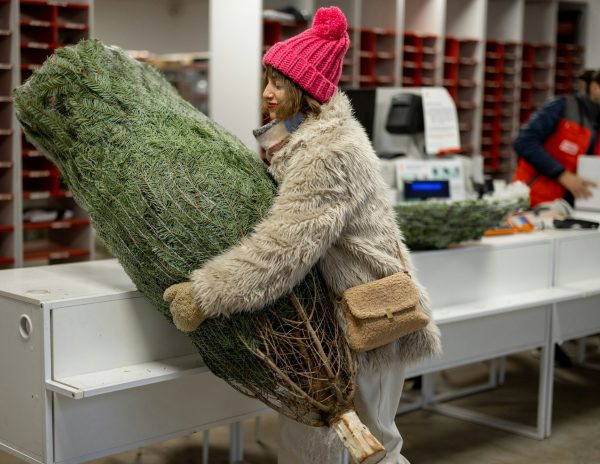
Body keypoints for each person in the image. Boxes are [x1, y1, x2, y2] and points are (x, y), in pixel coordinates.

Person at [163, 7, 441, 463]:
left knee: (365, 450)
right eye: (266, 80)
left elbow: (285, 249)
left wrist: (206, 293)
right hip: (340, 321)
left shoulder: (327, 153)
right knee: (326, 446)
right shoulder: (297, 141)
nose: (267, 94)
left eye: (278, 83)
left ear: (305, 90)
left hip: (368, 323)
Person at [513, 70, 600, 207]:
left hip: (579, 207)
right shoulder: (562, 106)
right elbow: (524, 142)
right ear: (595, 87)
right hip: (534, 201)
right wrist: (562, 175)